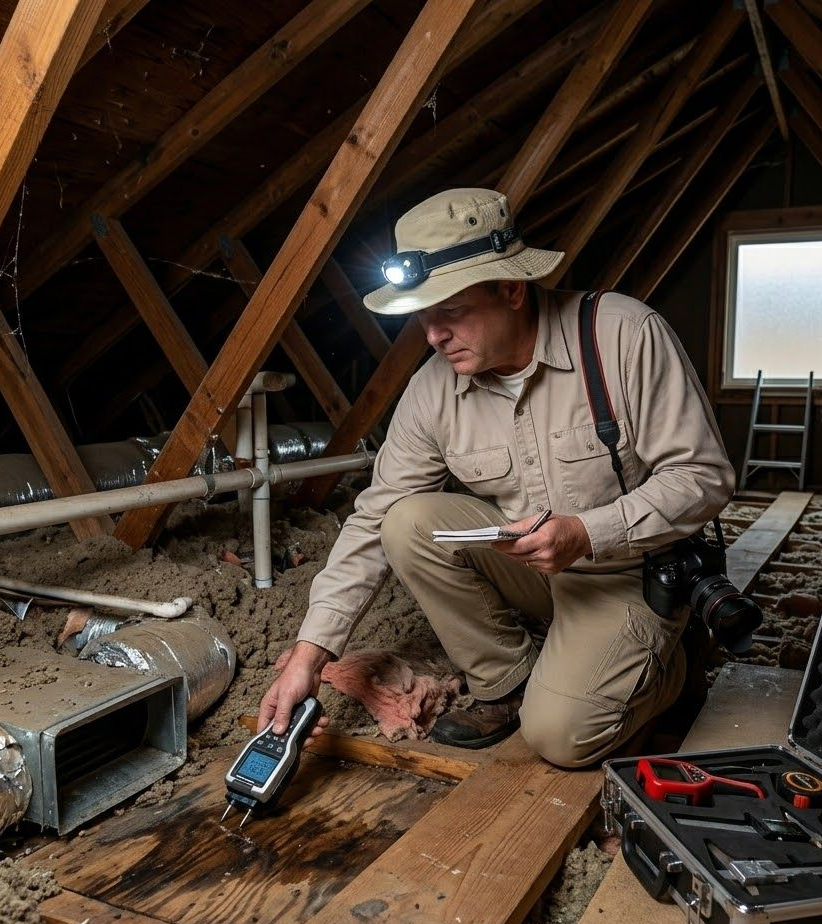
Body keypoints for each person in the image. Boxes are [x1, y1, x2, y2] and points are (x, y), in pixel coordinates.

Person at [258, 188, 734, 767]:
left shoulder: (622, 336)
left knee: (560, 736)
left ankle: (673, 667)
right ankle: (506, 682)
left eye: (450, 312)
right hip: (534, 570)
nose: (433, 336)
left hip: (626, 574)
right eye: (422, 318)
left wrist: (587, 532)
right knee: (406, 521)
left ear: (511, 289)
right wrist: (309, 657)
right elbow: (374, 518)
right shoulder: (435, 388)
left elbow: (703, 477)